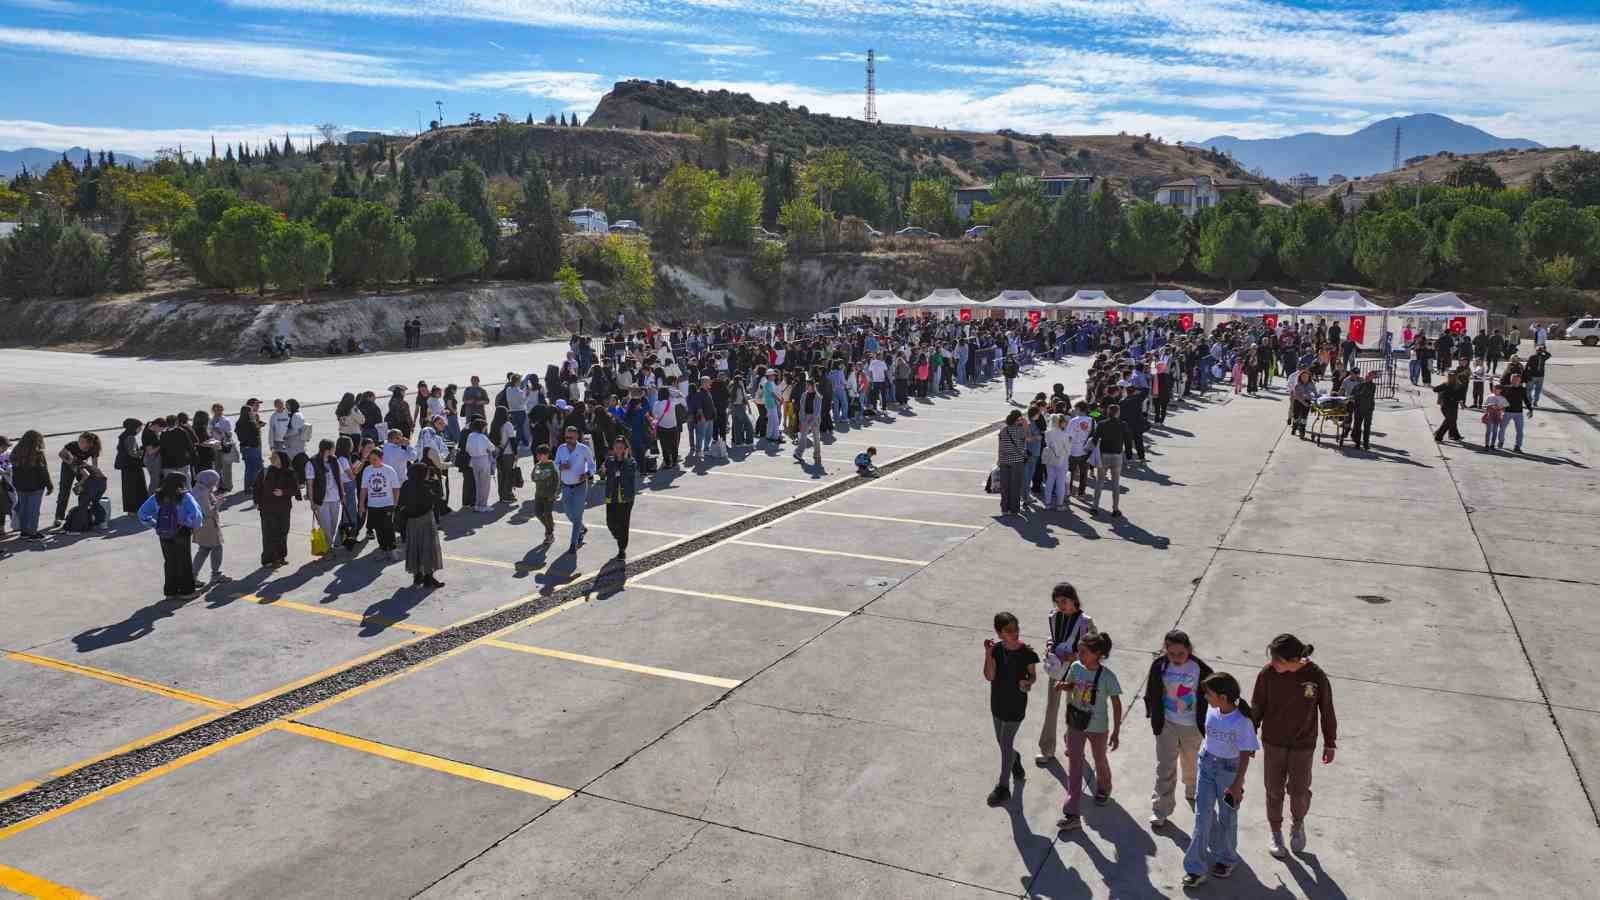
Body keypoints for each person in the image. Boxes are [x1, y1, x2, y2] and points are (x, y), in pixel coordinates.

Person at [1251, 634, 1337, 859]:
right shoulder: (1267, 674)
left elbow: (1326, 709)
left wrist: (1330, 742)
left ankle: (1298, 824)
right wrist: (1249, 736)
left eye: (1277, 660)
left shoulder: (1315, 676)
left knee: (1298, 791)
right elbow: (1257, 705)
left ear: (1294, 659)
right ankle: (1276, 831)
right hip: (1273, 742)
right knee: (1274, 789)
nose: (1272, 664)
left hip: (1303, 745)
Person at [1183, 673, 1259, 886]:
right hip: (1206, 766)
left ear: (1223, 697)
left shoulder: (1242, 721)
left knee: (1227, 817)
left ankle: (1227, 859)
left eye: (1209, 693)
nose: (1205, 697)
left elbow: (1246, 753)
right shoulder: (1211, 709)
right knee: (1202, 817)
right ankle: (1195, 869)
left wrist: (1237, 784)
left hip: (1229, 773)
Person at [1146, 630, 1215, 829]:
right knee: (1165, 766)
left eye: (1180, 654)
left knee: (1191, 761)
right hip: (1167, 723)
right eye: (1171, 654)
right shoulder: (1160, 666)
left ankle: (1191, 784)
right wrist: (1152, 712)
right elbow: (1152, 690)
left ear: (1189, 650)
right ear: (1166, 651)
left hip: (1192, 727)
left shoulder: (1200, 669)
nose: (1176, 658)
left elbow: (1214, 695)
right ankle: (1160, 809)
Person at [1055, 632, 1121, 831]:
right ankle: (1072, 812)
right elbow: (1071, 685)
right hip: (1076, 723)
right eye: (1079, 650)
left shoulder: (1107, 677)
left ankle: (1104, 787)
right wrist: (1062, 686)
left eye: (1083, 652)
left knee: (1099, 759)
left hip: (1098, 728)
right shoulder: (1076, 667)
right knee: (1074, 764)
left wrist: (1116, 731)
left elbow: (1117, 704)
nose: (1079, 654)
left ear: (1097, 654)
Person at [1035, 583, 1096, 766]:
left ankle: (1073, 745)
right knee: (1051, 708)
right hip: (1057, 668)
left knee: (1076, 709)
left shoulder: (1085, 621)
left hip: (1078, 671)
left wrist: (1077, 655)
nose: (1061, 605)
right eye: (1057, 601)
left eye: (1064, 601)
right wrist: (1049, 646)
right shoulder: (1054, 616)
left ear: (1073, 599)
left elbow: (1096, 646)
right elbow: (1051, 636)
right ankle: (1047, 749)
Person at [983, 612, 1038, 807]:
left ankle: (1003, 786)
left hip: (1016, 706)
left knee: (1005, 743)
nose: (1014, 633)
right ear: (999, 633)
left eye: (1016, 629)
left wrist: (1028, 682)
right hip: (997, 704)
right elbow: (989, 676)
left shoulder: (1027, 653)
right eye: (1008, 631)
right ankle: (1015, 759)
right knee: (1002, 743)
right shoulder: (996, 651)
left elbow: (1033, 675)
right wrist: (988, 654)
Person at [138, 471, 205, 598]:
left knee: (169, 561)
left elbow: (142, 514)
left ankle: (170, 591)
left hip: (164, 532)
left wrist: (155, 524)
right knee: (184, 561)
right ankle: (187, 591)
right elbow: (196, 515)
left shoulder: (157, 496)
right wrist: (191, 524)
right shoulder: (185, 497)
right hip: (181, 531)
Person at [399, 462, 446, 588]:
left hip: (411, 522)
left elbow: (401, 502)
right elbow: (438, 499)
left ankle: (417, 575)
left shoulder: (406, 485)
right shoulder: (425, 486)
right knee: (428, 548)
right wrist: (436, 481)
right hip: (425, 520)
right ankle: (428, 577)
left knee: (414, 547)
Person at [254, 451, 299, 567]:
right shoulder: (265, 471)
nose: (272, 459)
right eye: (272, 457)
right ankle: (269, 560)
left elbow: (295, 489)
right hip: (267, 508)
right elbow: (257, 487)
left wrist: (283, 492)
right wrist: (257, 502)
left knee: (283, 532)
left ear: (282, 459)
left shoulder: (290, 472)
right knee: (269, 534)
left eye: (275, 457)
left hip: (284, 508)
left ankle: (281, 557)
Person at [555, 425, 595, 554]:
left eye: (571, 437)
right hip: (566, 487)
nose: (568, 440)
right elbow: (555, 464)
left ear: (577, 436)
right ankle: (582, 529)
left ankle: (574, 543)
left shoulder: (584, 449)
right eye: (566, 437)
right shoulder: (561, 449)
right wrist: (560, 466)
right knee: (568, 513)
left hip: (580, 486)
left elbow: (592, 465)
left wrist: (587, 474)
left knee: (577, 516)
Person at [305, 439, 347, 556]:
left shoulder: (334, 461)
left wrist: (342, 494)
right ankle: (328, 548)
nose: (335, 450)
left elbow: (340, 479)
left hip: (335, 498)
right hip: (321, 499)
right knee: (325, 525)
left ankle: (329, 545)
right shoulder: (312, 462)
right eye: (333, 448)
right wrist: (312, 502)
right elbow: (310, 484)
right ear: (327, 450)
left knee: (333, 523)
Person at [8, 431, 53, 540]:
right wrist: (49, 485)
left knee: (23, 508)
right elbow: (43, 472)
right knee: (33, 510)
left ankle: (24, 532)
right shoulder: (38, 454)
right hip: (36, 486)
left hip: (20, 486)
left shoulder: (15, 452)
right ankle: (33, 533)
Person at [359, 446, 401, 560]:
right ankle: (382, 549)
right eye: (371, 459)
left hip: (387, 504)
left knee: (388, 527)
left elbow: (396, 488)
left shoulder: (389, 470)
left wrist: (395, 503)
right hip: (373, 505)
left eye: (375, 459)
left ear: (381, 458)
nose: (372, 462)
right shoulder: (367, 470)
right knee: (378, 528)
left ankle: (392, 549)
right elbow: (364, 489)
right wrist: (361, 504)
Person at [1090, 400, 1127, 518]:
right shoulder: (1123, 424)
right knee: (1115, 484)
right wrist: (1129, 454)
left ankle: (1095, 507)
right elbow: (1128, 440)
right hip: (1117, 456)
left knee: (1099, 482)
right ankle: (1115, 509)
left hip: (1103, 455)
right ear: (1117, 413)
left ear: (1108, 412)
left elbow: (1094, 439)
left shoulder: (1101, 424)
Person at [603, 436, 639, 559]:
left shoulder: (631, 462)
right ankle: (619, 537)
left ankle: (622, 548)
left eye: (621, 448)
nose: (618, 450)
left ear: (625, 449)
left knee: (624, 524)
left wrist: (626, 459)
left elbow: (630, 473)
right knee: (610, 522)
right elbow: (602, 474)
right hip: (611, 497)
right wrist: (602, 470)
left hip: (625, 499)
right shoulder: (609, 461)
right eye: (616, 447)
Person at [189, 469, 227, 584]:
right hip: (208, 526)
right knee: (216, 548)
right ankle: (215, 574)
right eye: (215, 481)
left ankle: (193, 575)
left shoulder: (198, 489)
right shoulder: (203, 493)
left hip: (200, 525)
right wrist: (218, 505)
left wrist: (215, 501)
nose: (216, 484)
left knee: (204, 549)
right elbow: (208, 512)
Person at [996, 410, 1028, 517]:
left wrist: (999, 460)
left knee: (1005, 486)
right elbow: (1024, 445)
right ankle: (1014, 509)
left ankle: (1004, 508)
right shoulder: (1020, 430)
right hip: (1017, 461)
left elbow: (1000, 447)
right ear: (1017, 419)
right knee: (1015, 486)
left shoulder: (1003, 430)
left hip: (1004, 461)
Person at [114, 418, 148, 516]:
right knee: (137, 487)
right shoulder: (130, 437)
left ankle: (131, 510)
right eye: (139, 427)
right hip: (133, 466)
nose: (140, 429)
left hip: (126, 467)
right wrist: (142, 451)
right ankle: (134, 509)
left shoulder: (123, 435)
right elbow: (133, 453)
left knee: (128, 488)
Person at [462, 418, 496, 512]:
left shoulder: (470, 435)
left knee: (477, 484)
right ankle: (483, 505)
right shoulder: (482, 437)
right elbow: (492, 447)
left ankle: (477, 504)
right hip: (483, 460)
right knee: (485, 484)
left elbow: (467, 449)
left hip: (474, 460)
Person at [530, 443, 559, 546]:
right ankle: (550, 526)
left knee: (547, 514)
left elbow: (556, 480)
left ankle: (549, 535)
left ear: (546, 455)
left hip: (549, 495)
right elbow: (533, 477)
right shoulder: (537, 465)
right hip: (539, 494)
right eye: (538, 455)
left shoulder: (551, 465)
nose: (538, 457)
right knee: (538, 513)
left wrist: (554, 493)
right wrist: (538, 475)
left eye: (540, 455)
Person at [237, 400, 264, 496]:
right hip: (253, 447)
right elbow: (255, 433)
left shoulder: (239, 422)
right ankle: (257, 486)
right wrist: (258, 426)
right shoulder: (251, 423)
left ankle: (247, 488)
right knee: (258, 467)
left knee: (249, 468)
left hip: (244, 447)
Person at [793, 378, 822, 466]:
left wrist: (812, 420)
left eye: (808, 385)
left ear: (812, 386)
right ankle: (798, 453)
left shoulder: (817, 396)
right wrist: (802, 419)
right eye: (806, 385)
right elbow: (801, 408)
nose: (806, 386)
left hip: (815, 418)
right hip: (805, 417)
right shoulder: (804, 395)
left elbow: (817, 411)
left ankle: (817, 454)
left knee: (816, 437)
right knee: (803, 436)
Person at [1432, 371, 1465, 443]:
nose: (1451, 378)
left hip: (1453, 406)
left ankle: (1455, 436)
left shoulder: (1459, 385)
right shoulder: (1446, 384)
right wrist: (1442, 391)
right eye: (1450, 376)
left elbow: (1460, 397)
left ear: (1456, 377)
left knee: (1451, 421)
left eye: (1453, 376)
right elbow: (1435, 389)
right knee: (1449, 421)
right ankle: (1438, 437)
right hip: (1445, 406)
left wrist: (1461, 404)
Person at [1348, 370, 1378, 451]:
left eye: (1370, 376)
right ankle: (1357, 443)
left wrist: (1354, 397)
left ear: (1372, 378)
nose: (1367, 377)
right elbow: (1352, 394)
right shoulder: (1358, 385)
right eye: (1367, 375)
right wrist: (1352, 397)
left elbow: (1363, 394)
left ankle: (1365, 443)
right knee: (1358, 426)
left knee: (1367, 427)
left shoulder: (1372, 385)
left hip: (1368, 409)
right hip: (1359, 408)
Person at [1500, 373, 1529, 453]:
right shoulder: (1506, 388)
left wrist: (1530, 409)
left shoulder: (1522, 389)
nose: (1515, 381)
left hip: (1518, 413)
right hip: (1507, 412)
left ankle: (1517, 446)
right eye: (1513, 380)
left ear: (1520, 381)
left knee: (1520, 431)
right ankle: (1501, 442)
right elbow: (1496, 392)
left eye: (1517, 380)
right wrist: (1491, 382)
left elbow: (1526, 400)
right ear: (1511, 380)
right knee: (1502, 428)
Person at [1483, 382, 1508, 449]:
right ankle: (1486, 444)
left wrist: (1500, 408)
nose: (1496, 390)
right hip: (1490, 415)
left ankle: (1492, 444)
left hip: (1497, 415)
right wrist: (1489, 407)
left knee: (1495, 431)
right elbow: (1484, 406)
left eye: (1498, 389)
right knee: (1488, 431)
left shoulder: (1502, 398)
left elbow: (1505, 407)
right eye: (1495, 388)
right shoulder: (1489, 397)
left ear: (1500, 390)